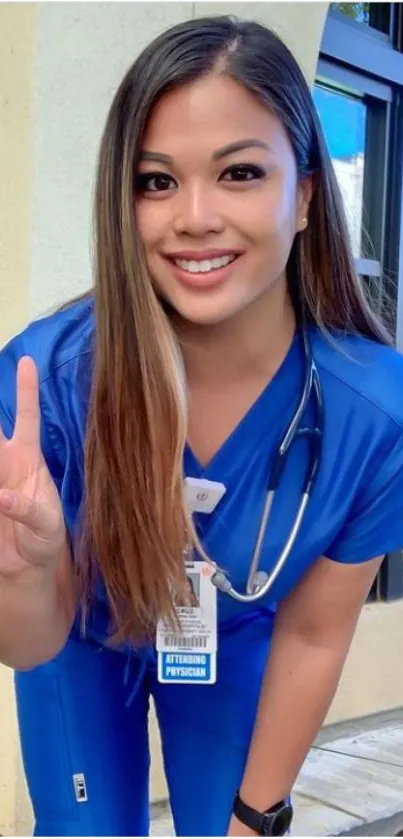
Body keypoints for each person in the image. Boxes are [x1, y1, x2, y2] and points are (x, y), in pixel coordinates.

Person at [0, 14, 403, 838]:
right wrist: (24, 573)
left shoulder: (375, 413)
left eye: (239, 173)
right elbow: (26, 641)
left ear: (301, 198)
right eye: (155, 181)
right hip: (77, 635)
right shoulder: (44, 383)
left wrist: (256, 817)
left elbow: (316, 633)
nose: (193, 216)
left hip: (241, 641)